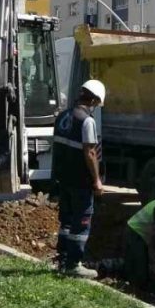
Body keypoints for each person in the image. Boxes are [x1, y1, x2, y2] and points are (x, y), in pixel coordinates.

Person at [52, 79, 106, 278]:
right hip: (80, 181)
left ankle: (63, 260)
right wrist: (97, 180)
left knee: (66, 221)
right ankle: (74, 264)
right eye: (97, 102)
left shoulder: (62, 116)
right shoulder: (87, 121)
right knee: (81, 221)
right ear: (92, 99)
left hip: (63, 178)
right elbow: (90, 153)